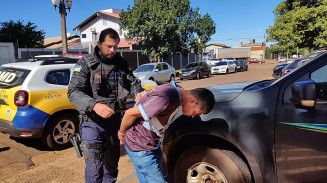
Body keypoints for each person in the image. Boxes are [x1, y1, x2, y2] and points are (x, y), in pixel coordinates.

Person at [68, 28, 144, 183]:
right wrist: (94, 105)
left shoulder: (120, 63)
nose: (113, 50)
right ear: (99, 43)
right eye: (109, 46)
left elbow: (133, 82)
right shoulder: (86, 63)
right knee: (94, 169)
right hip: (91, 122)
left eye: (115, 46)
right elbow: (73, 92)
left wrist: (138, 92)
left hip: (114, 123)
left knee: (111, 169)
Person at [118, 81, 215, 182]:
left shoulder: (178, 91)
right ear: (193, 101)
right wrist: (121, 132)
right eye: (195, 112)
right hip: (139, 145)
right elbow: (129, 114)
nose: (193, 115)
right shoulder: (166, 99)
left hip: (152, 143)